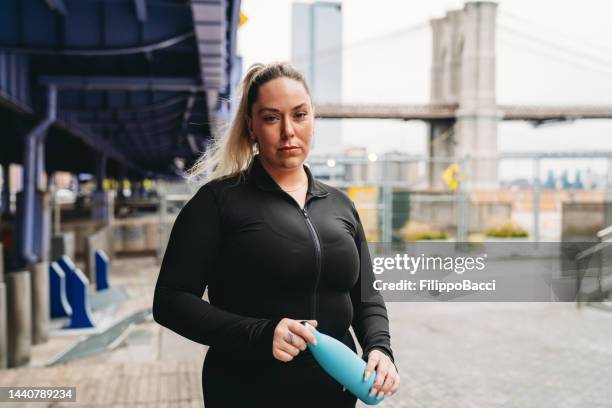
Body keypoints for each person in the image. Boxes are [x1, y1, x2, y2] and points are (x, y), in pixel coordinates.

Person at [152, 61, 399, 407]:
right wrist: (261, 333)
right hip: (246, 391)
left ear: (313, 118)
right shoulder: (217, 203)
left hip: (334, 393)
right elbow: (170, 301)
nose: (288, 131)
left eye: (300, 115)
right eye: (271, 118)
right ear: (251, 127)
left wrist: (379, 349)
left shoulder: (341, 205)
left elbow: (366, 298)